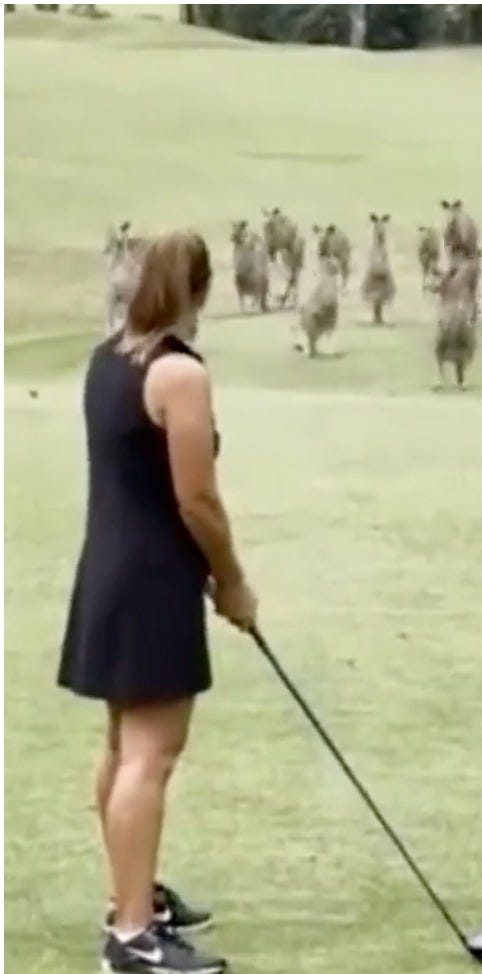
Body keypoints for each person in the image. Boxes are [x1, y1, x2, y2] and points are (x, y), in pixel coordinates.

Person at [57, 229, 258, 974]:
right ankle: (133, 937)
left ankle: (130, 899)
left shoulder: (108, 357)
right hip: (150, 583)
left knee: (121, 748)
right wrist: (230, 579)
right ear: (201, 291)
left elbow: (142, 483)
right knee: (151, 753)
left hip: (110, 570)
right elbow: (196, 497)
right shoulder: (179, 374)